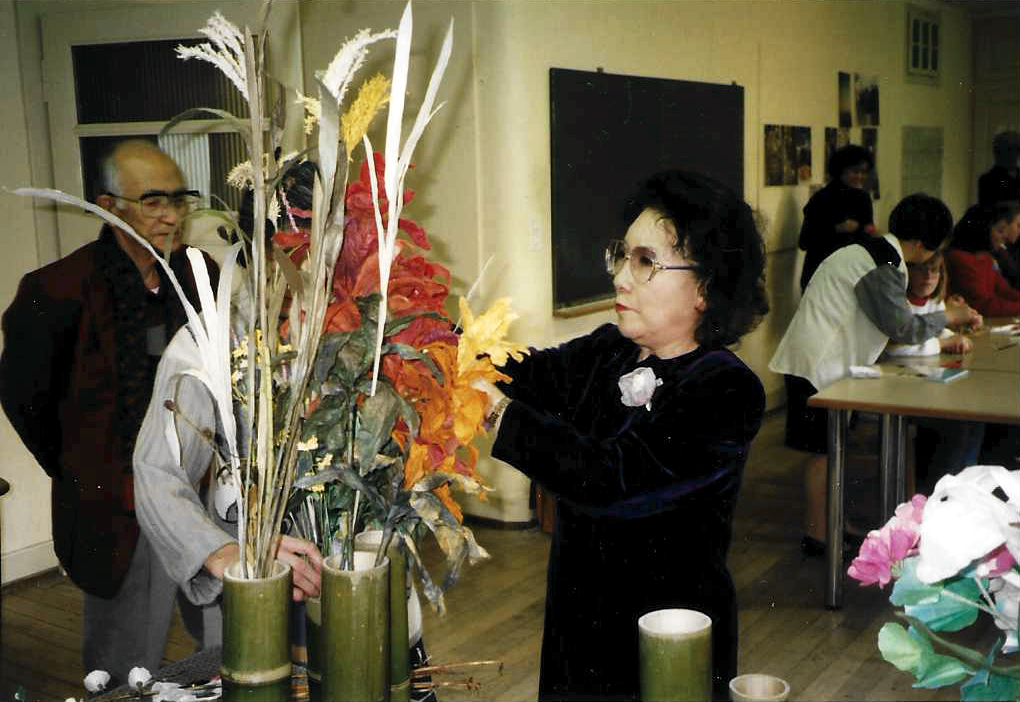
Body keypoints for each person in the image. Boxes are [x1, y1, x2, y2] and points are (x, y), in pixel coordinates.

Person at [473, 170, 770, 701]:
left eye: (645, 262)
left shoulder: (725, 388)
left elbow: (610, 480)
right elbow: (527, 371)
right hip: (579, 623)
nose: (621, 278)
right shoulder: (608, 350)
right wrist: (438, 344)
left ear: (706, 287)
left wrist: (497, 414)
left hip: (667, 637)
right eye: (621, 256)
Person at [0, 140, 220, 684]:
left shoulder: (203, 275)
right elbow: (25, 399)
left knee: (225, 646)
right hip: (119, 510)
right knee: (123, 667)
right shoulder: (55, 290)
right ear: (108, 206)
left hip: (203, 496)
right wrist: (86, 472)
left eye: (179, 199)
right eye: (153, 201)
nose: (172, 215)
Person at [770, 193, 982, 558]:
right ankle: (819, 535)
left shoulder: (873, 252)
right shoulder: (882, 264)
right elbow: (902, 327)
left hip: (823, 364)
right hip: (817, 367)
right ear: (922, 244)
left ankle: (831, 526)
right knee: (824, 454)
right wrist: (949, 316)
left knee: (831, 451)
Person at [883, 254, 984, 493]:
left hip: (926, 387)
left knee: (975, 417)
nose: (928, 277)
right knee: (955, 427)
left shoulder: (935, 303)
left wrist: (955, 336)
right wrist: (943, 344)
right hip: (897, 390)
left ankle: (963, 487)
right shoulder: (899, 305)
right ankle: (934, 491)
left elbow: (934, 332)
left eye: (935, 270)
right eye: (920, 270)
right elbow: (896, 349)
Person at [798, 144, 877, 292]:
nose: (860, 176)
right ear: (841, 170)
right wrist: (836, 229)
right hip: (820, 275)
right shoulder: (821, 199)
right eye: (855, 171)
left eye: (863, 172)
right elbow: (804, 241)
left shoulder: (863, 198)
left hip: (852, 275)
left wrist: (865, 231)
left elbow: (868, 232)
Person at [945, 203, 1020, 317]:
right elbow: (982, 306)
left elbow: (1005, 291)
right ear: (982, 230)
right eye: (1000, 231)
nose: (1005, 236)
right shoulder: (959, 258)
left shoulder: (985, 258)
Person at [977, 131, 1020, 208]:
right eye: (1009, 149)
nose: (1013, 154)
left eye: (1016, 149)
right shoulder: (988, 180)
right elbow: (988, 209)